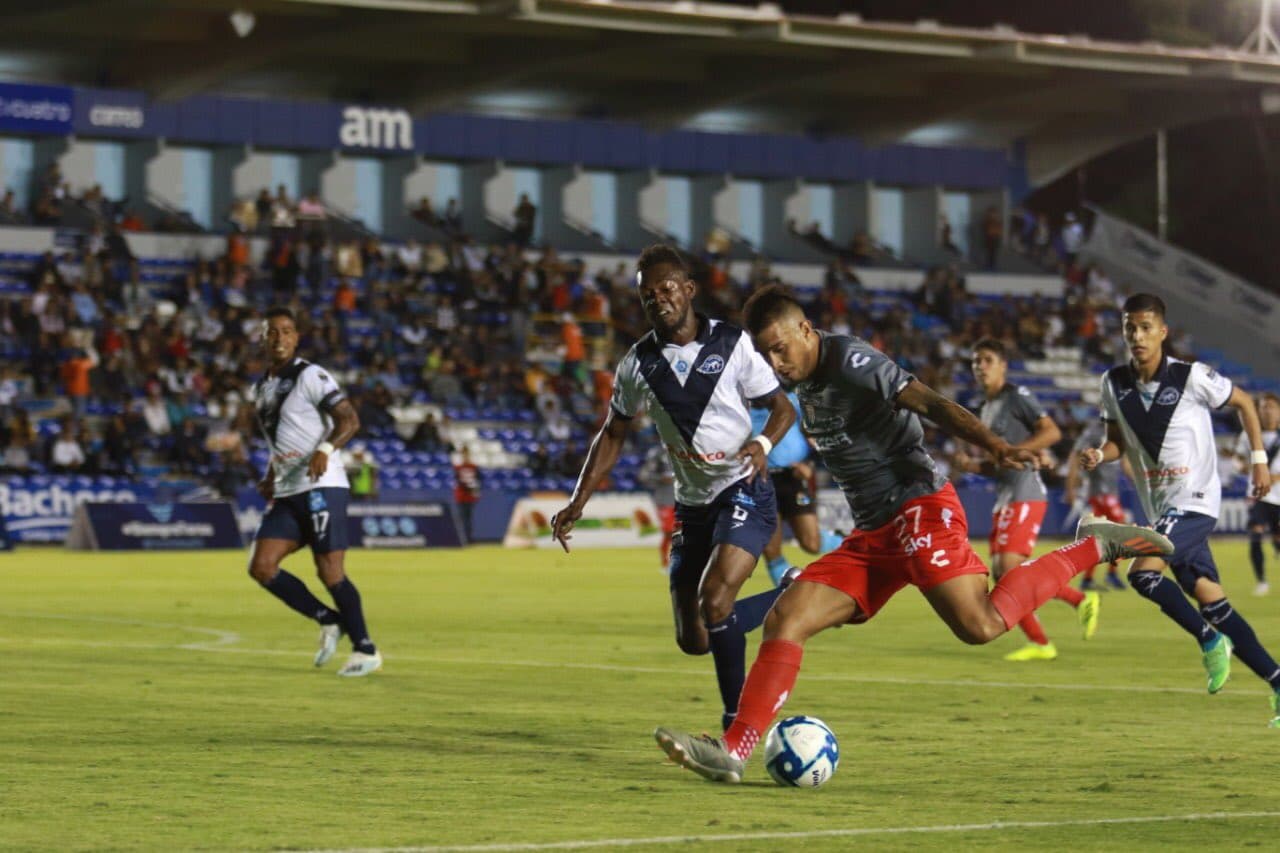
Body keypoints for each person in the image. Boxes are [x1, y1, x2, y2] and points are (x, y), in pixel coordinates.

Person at [653, 286, 1172, 783]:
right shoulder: (803, 386)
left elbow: (929, 402)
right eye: (766, 355)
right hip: (873, 534)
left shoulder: (849, 360)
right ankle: (734, 750)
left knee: (981, 624)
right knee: (786, 619)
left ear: (806, 330)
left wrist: (994, 444)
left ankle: (1096, 543)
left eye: (780, 349)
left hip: (917, 506)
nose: (776, 364)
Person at [550, 245, 797, 733]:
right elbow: (613, 433)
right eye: (647, 295)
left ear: (688, 289)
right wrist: (578, 499)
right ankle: (789, 594)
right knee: (695, 636)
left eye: (666, 289)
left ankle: (736, 728)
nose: (658, 300)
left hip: (742, 486)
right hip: (693, 504)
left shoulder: (732, 343)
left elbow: (781, 407)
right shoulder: (637, 363)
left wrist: (763, 443)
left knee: (716, 599)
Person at [1083, 293, 1280, 724]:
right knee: (1213, 600)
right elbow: (1117, 439)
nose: (1137, 336)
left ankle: (1208, 640)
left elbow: (1245, 402)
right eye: (1130, 327)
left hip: (1196, 502)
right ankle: (1279, 683)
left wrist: (1260, 462)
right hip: (1162, 509)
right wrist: (1101, 455)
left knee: (1143, 573)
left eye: (1146, 327)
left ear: (1163, 332)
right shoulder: (1112, 383)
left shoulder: (1190, 377)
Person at [247, 306, 382, 677]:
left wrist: (325, 451)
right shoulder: (260, 387)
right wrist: (271, 473)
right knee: (261, 567)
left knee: (331, 573)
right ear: (263, 338)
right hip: (289, 491)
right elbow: (281, 438)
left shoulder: (311, 375)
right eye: (272, 332)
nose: (280, 338)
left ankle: (365, 648)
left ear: (296, 337)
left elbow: (349, 420)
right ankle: (327, 619)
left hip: (323, 485)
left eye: (287, 331)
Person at [953, 338, 1098, 661]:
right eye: (976, 361)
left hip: (1025, 493)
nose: (981, 367)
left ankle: (1073, 607)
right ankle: (1044, 638)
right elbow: (1001, 464)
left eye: (988, 360)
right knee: (1005, 576)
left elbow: (1051, 432)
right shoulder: (985, 408)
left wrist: (1024, 449)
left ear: (1003, 365)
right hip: (1005, 495)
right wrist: (973, 466)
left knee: (1010, 571)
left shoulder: (1016, 396)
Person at [749, 391, 843, 586]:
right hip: (760, 479)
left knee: (811, 543)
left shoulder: (791, 400)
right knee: (771, 549)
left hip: (792, 476)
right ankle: (788, 592)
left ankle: (846, 541)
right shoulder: (740, 404)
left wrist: (809, 464)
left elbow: (815, 434)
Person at [1066, 420, 1130, 591]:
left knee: (1100, 537)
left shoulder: (1118, 430)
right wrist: (1071, 486)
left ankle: (1089, 579)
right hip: (1100, 491)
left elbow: (1124, 461)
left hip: (1110, 491)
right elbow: (1076, 456)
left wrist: (1141, 483)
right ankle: (1111, 574)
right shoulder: (1093, 431)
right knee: (1122, 531)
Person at [1234, 392, 1280, 596]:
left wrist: (1276, 477)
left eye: (1271, 407)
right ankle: (1261, 581)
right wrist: (1244, 468)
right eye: (1263, 407)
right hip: (1258, 494)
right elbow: (1237, 460)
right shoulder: (1249, 434)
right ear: (1258, 412)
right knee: (1256, 532)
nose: (1268, 411)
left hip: (1279, 495)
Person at [637, 441, 677, 569]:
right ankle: (665, 564)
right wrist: (661, 478)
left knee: (680, 533)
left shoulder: (683, 449)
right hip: (664, 500)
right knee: (669, 532)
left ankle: (678, 562)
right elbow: (644, 476)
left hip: (683, 499)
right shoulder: (656, 453)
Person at [453, 446, 481, 544]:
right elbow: (458, 481)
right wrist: (469, 487)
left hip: (470, 497)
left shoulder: (473, 467)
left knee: (468, 519)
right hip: (461, 496)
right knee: (461, 518)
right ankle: (462, 538)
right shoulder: (458, 467)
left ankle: (469, 538)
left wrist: (475, 491)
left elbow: (478, 480)